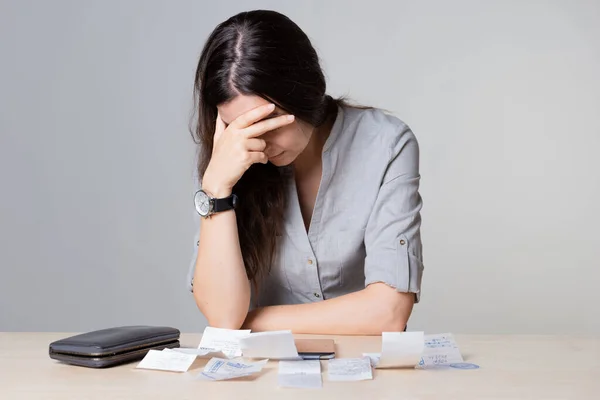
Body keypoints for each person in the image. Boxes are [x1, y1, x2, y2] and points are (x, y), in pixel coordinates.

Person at [186, 10, 424, 335]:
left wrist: (248, 322)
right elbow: (222, 316)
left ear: (304, 93)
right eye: (239, 127)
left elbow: (389, 312)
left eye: (269, 122)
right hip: (260, 378)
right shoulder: (231, 163)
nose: (259, 143)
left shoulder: (385, 144)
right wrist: (215, 189)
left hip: (362, 376)